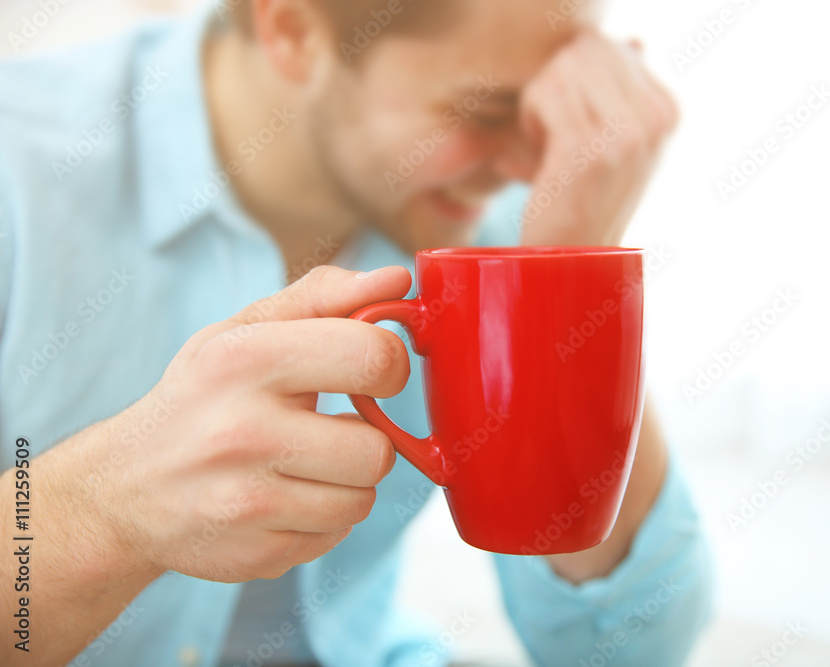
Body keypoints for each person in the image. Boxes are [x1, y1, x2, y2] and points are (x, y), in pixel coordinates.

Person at [0, 0, 712, 665]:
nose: (530, 169)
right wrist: (101, 512)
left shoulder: (493, 217)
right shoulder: (21, 166)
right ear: (292, 31)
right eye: (491, 112)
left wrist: (573, 266)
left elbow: (630, 648)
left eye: (547, 117)